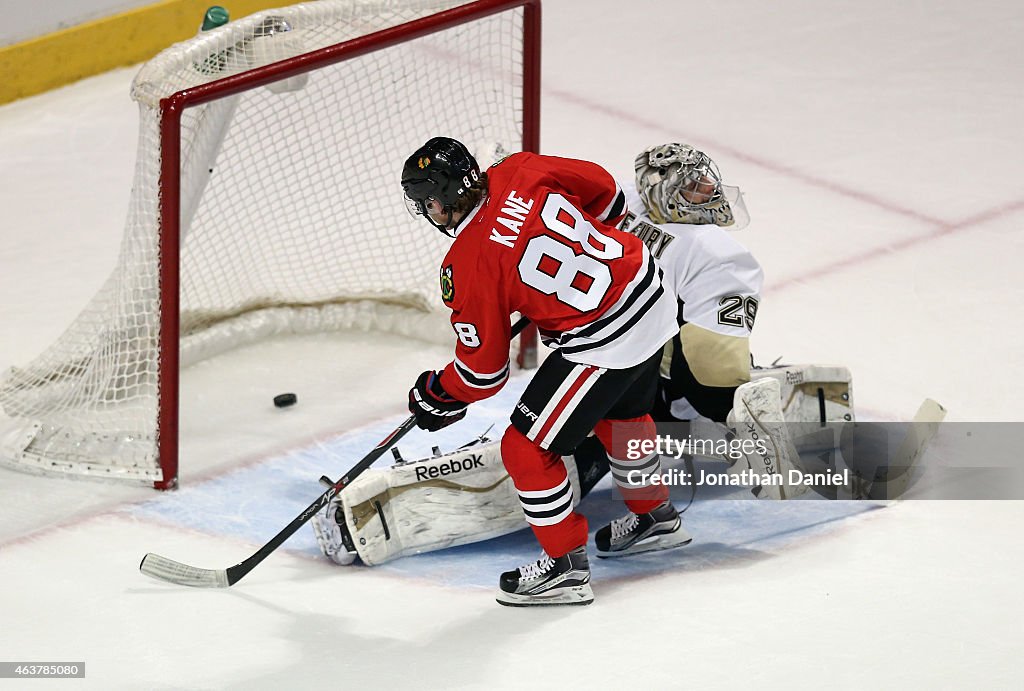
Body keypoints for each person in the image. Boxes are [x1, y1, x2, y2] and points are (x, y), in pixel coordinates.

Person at [395, 136, 690, 607]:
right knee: (621, 415)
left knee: (526, 449)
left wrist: (438, 392)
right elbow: (605, 191)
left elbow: (482, 374)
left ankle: (564, 566)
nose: (428, 211)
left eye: (427, 201)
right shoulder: (519, 168)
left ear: (442, 200)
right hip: (651, 292)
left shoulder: (468, 265)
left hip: (607, 338)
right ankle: (655, 517)